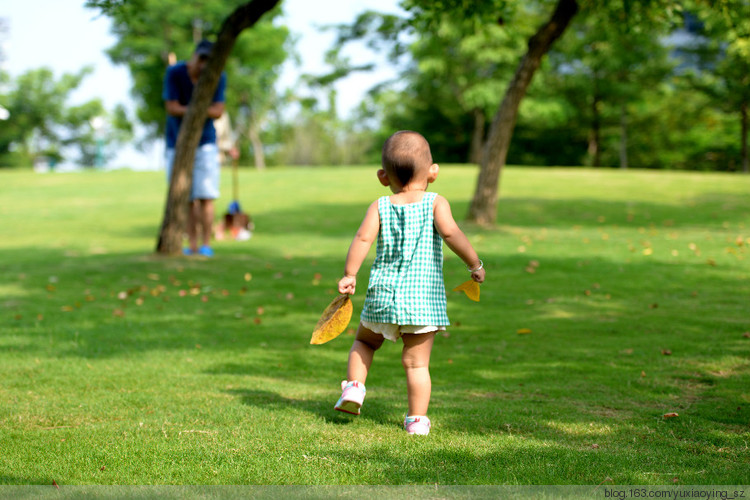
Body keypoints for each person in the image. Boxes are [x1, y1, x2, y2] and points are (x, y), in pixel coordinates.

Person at [335, 130, 486, 435]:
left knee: (364, 341)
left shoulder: (380, 205)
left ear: (382, 176)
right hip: (422, 301)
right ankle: (417, 421)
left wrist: (350, 274)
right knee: (416, 364)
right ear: (433, 173)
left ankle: (354, 387)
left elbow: (363, 238)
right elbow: (451, 234)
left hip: (382, 294)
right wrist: (474, 263)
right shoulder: (435, 202)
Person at [163, 39, 227, 257]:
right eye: (201, 59)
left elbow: (218, 110)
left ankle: (206, 245)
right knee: (187, 197)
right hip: (176, 143)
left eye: (208, 61)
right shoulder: (175, 73)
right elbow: (171, 107)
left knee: (206, 195)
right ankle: (191, 245)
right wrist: (200, 109)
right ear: (194, 56)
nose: (203, 65)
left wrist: (190, 109)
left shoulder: (218, 77)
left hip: (206, 142)